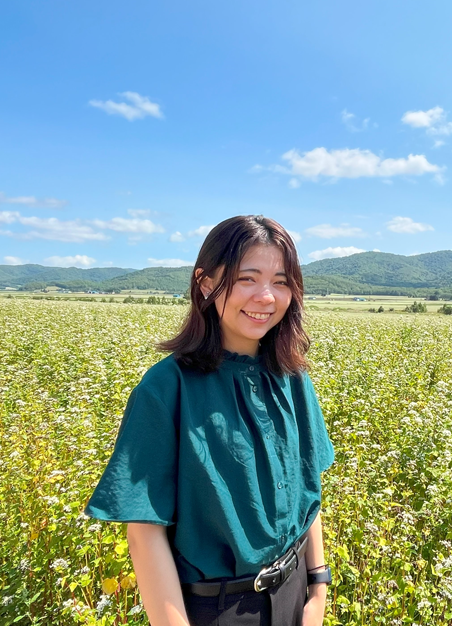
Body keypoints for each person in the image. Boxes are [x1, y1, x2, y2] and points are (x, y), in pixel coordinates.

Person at [84, 215, 335, 626]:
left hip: (295, 595)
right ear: (205, 283)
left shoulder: (292, 376)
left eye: (281, 281)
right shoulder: (167, 387)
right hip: (218, 610)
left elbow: (309, 489)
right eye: (246, 278)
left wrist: (317, 589)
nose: (266, 297)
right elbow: (145, 532)